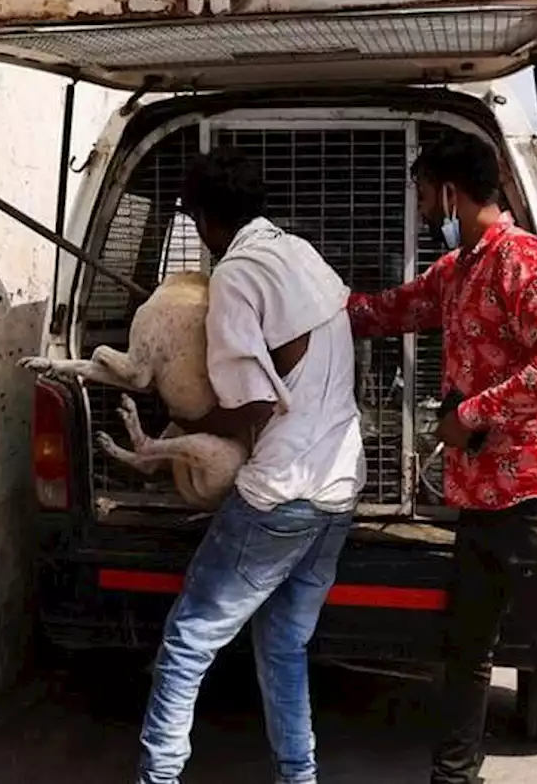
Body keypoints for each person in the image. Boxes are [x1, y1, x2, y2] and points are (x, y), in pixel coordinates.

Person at [346, 132, 537, 784]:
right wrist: (309, 305)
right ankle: (454, 776)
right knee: (464, 653)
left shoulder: (524, 262)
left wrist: (471, 413)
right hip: (482, 499)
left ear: (449, 192)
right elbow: (390, 311)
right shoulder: (460, 268)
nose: (419, 208)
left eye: (421, 194)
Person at [135, 148, 365, 784]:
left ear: (204, 219)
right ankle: (299, 777)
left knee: (188, 639)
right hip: (340, 484)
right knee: (284, 643)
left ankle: (157, 778)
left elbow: (251, 406)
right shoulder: (301, 254)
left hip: (281, 492)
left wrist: (178, 427)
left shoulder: (236, 274)